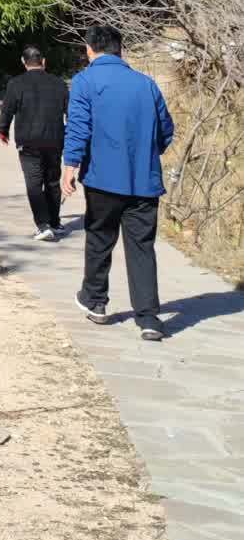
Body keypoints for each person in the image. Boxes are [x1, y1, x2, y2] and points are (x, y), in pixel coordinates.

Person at [62, 24, 175, 342]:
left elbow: (79, 128)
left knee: (100, 239)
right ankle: (149, 318)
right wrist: (146, 154)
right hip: (144, 181)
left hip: (102, 180)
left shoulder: (85, 82)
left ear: (89, 50)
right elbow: (165, 129)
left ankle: (95, 301)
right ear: (120, 49)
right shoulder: (147, 84)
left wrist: (70, 166)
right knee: (141, 248)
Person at [0, 44, 69, 239]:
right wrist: (69, 135)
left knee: (34, 183)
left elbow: (7, 110)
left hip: (28, 143)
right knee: (53, 182)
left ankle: (43, 224)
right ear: (43, 62)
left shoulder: (16, 84)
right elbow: (71, 114)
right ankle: (55, 222)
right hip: (55, 141)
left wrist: (3, 131)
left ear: (23, 62)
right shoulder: (59, 83)